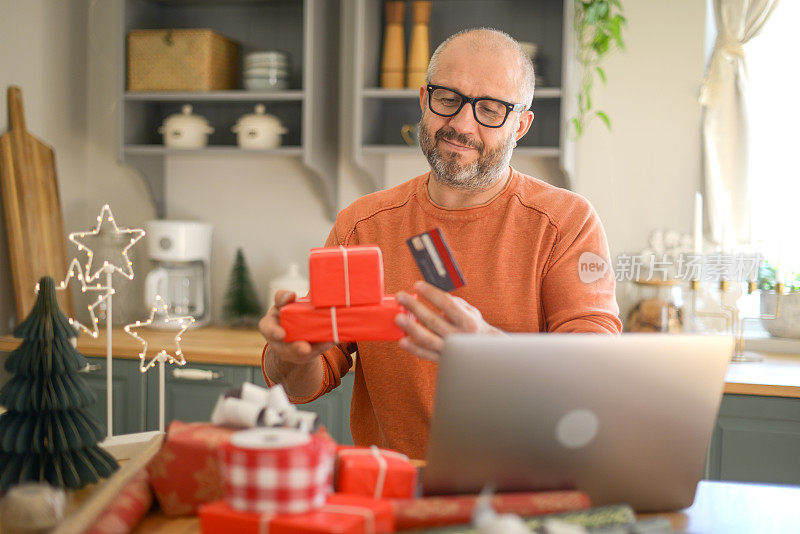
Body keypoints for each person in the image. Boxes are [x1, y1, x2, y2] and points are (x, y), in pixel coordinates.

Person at [259, 28, 622, 460]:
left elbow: (596, 374)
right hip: (394, 489)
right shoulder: (361, 224)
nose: (461, 124)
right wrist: (290, 357)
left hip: (524, 495)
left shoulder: (565, 222)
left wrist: (487, 351)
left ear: (520, 125)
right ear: (423, 100)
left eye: (490, 109)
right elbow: (305, 382)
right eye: (447, 98)